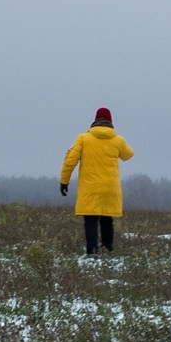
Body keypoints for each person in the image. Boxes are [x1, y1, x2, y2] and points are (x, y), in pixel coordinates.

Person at [59, 107, 133, 256]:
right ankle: (108, 249)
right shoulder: (118, 140)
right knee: (107, 220)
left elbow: (69, 161)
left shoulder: (83, 139)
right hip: (110, 188)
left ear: (95, 121)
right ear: (110, 121)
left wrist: (64, 181)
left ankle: (92, 251)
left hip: (90, 187)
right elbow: (128, 155)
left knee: (90, 220)